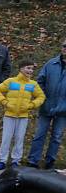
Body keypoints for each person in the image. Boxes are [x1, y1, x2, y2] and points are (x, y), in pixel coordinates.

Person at [0, 59, 45, 170]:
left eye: (31, 69)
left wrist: (31, 105)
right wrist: (5, 102)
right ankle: (2, 161)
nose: (30, 71)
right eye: (28, 68)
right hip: (9, 116)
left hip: (23, 117)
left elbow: (41, 97)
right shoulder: (11, 81)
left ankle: (16, 161)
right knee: (6, 138)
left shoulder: (33, 84)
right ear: (21, 69)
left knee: (19, 139)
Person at [26, 39, 66, 170]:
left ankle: (50, 162)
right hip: (46, 106)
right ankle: (33, 161)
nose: (65, 48)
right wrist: (42, 96)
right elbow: (40, 81)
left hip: (63, 110)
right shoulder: (50, 64)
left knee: (56, 137)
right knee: (39, 134)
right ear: (61, 48)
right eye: (64, 46)